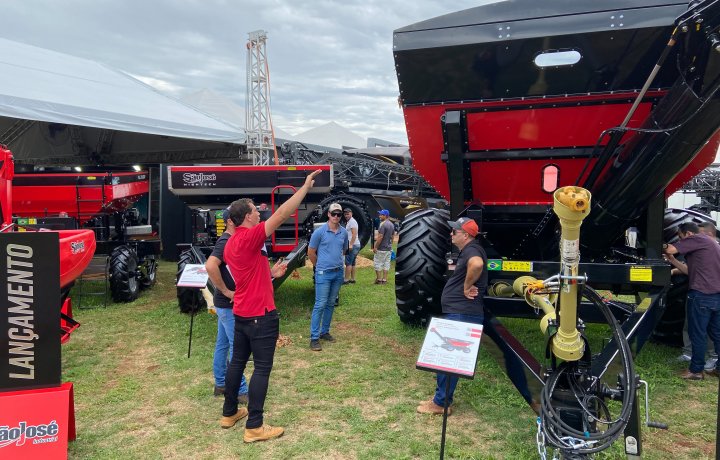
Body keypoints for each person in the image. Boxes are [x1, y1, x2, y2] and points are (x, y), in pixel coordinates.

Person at [220, 169, 322, 442]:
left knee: (237, 363)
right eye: (255, 211)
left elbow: (248, 272)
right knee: (262, 369)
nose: (260, 213)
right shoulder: (248, 237)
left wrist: (271, 273)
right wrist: (304, 188)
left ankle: (229, 413)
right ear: (246, 217)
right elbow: (282, 214)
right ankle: (254, 426)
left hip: (242, 313)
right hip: (260, 315)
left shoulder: (230, 244)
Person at [417, 217, 487, 415]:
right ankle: (440, 398)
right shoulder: (469, 249)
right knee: (445, 357)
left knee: (448, 359)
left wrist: (466, 286)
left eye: (454, 231)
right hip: (459, 311)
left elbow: (477, 264)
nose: (451, 233)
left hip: (462, 312)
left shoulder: (472, 250)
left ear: (466, 235)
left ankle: (441, 404)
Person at [664, 222, 720, 380]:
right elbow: (690, 271)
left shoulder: (697, 238)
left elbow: (670, 249)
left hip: (701, 295)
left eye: (681, 238)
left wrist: (660, 245)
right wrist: (673, 260)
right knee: (717, 333)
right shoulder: (711, 244)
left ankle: (695, 370)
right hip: (716, 296)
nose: (681, 242)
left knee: (697, 334)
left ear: (688, 234)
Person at [204, 208, 248, 402]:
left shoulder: (230, 239)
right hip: (227, 305)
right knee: (236, 346)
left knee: (222, 344)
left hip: (224, 305)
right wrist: (226, 291)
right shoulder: (226, 241)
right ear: (230, 221)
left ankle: (221, 383)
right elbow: (210, 265)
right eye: (238, 218)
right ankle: (241, 390)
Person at [308, 202, 349, 351]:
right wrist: (319, 266)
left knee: (331, 303)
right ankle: (314, 338)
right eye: (334, 214)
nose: (336, 216)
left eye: (339, 214)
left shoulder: (344, 232)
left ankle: (324, 331)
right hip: (323, 274)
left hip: (338, 273)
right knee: (320, 304)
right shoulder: (319, 232)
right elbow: (311, 252)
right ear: (328, 214)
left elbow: (344, 250)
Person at [373, 209, 394, 284]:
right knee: (386, 264)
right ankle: (384, 280)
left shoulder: (383, 224)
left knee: (377, 263)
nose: (379, 216)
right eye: (380, 214)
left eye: (381, 215)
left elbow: (380, 237)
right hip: (388, 248)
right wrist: (390, 245)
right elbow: (392, 237)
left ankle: (379, 280)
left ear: (386, 216)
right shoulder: (391, 224)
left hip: (381, 248)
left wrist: (375, 247)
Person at [343, 207, 361, 284]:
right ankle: (353, 279)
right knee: (353, 262)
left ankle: (346, 280)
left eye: (348, 214)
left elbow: (354, 234)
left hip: (352, 245)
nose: (346, 215)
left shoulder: (352, 222)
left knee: (348, 263)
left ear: (351, 213)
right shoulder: (350, 221)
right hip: (355, 244)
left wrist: (350, 244)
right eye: (345, 214)